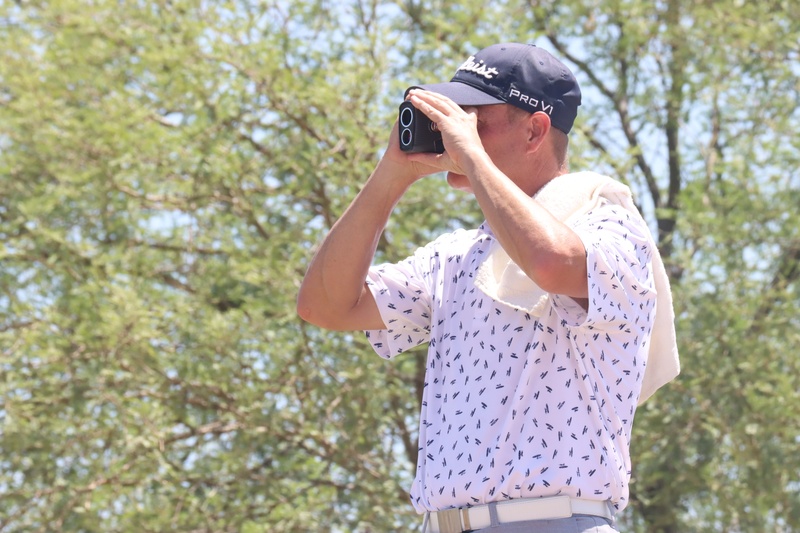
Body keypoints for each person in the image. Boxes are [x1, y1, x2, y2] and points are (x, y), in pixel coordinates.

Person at [297, 42, 679, 533]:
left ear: (535, 130)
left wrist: (474, 160)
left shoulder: (610, 226)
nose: (454, 132)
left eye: (474, 119)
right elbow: (325, 306)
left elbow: (550, 262)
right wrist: (391, 175)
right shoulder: (457, 255)